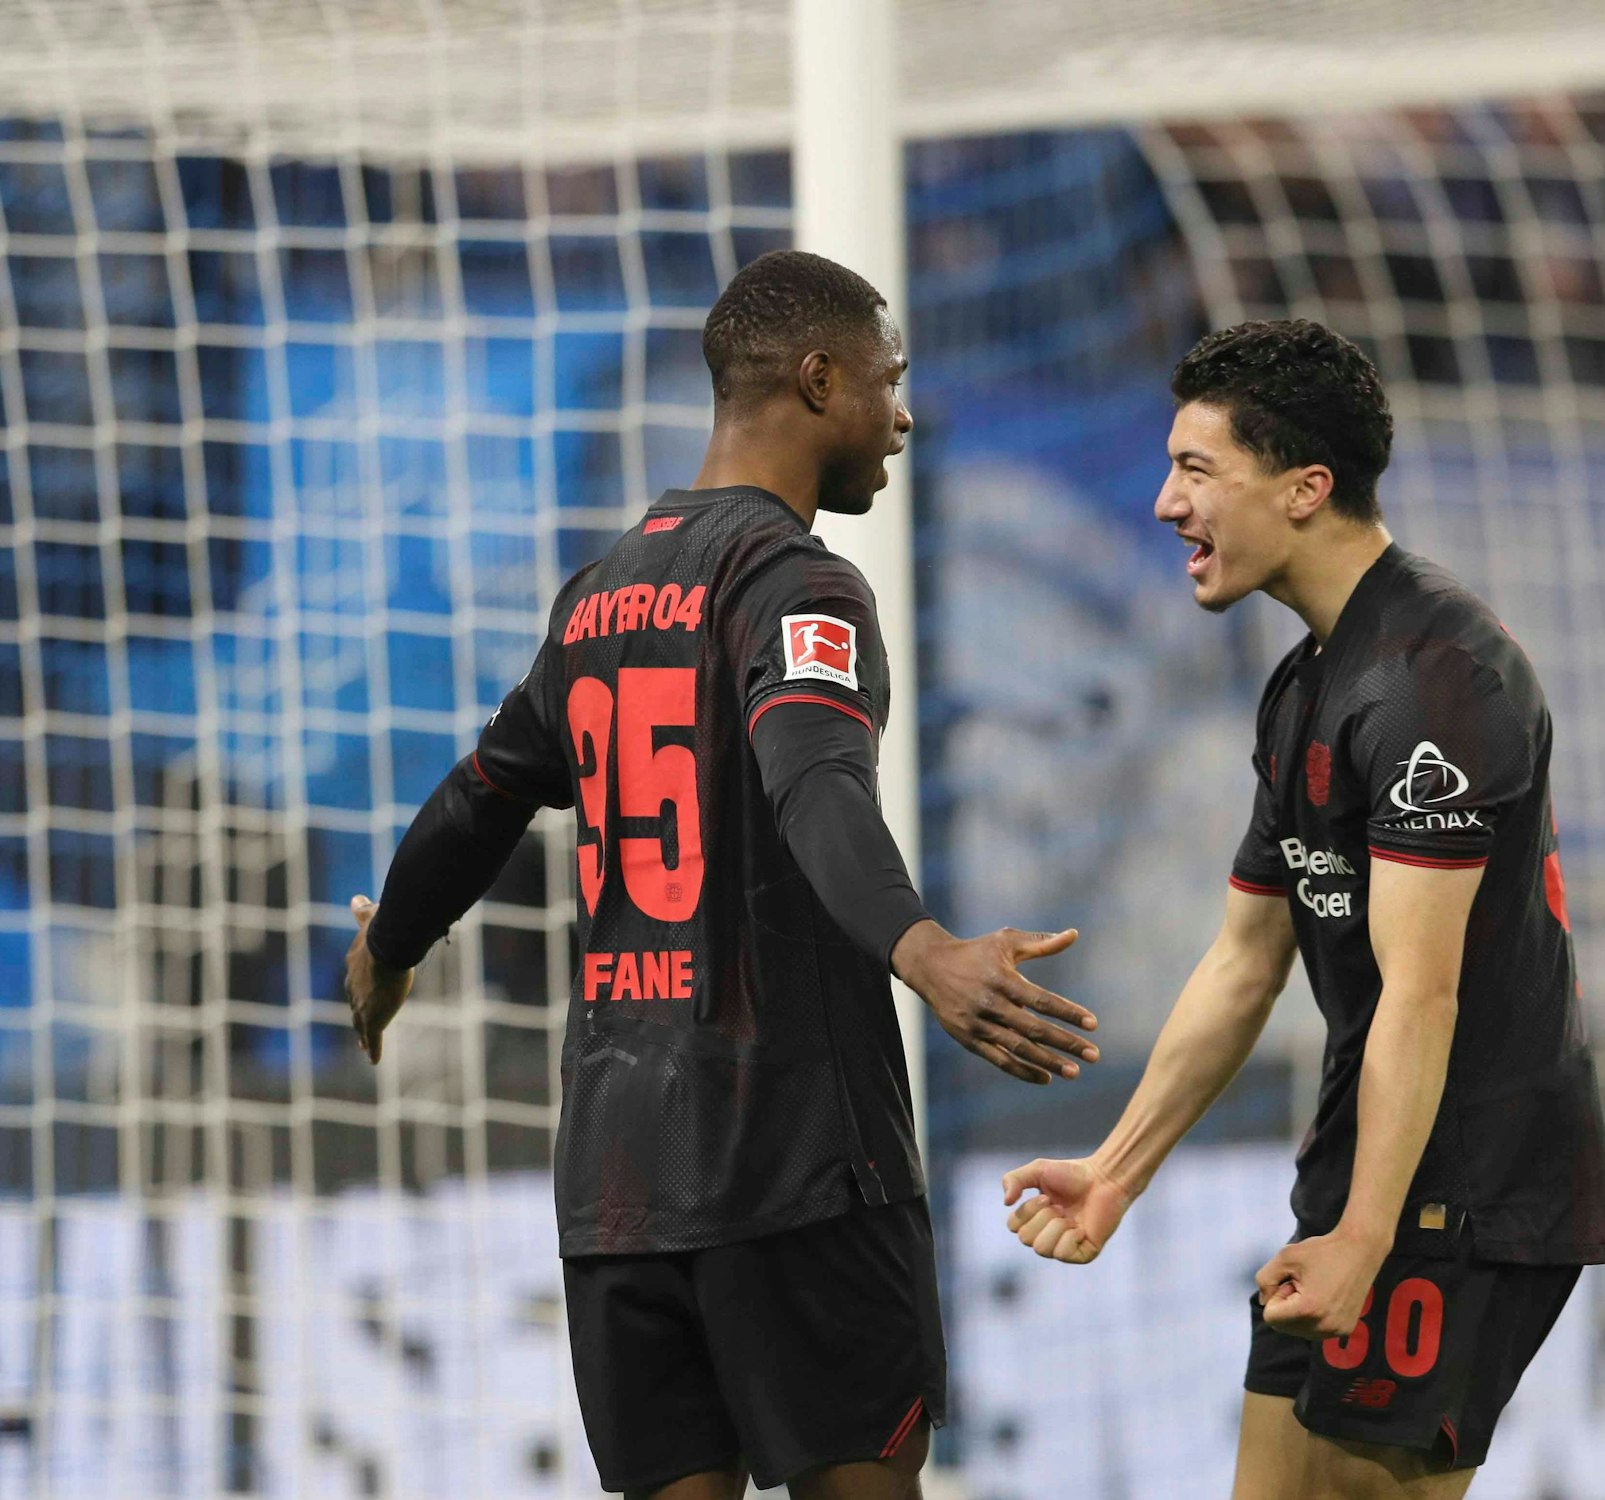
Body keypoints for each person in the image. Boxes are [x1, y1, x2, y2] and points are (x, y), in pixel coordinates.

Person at [341, 249, 1101, 1500]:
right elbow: (815, 785)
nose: (902, 416)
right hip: (793, 1157)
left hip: (620, 1181)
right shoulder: (797, 584)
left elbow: (481, 794)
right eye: (887, 380)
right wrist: (924, 952)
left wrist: (388, 950)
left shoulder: (596, 596)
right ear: (818, 380)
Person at [1000, 321, 1605, 1500]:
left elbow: (1422, 994)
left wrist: (1368, 1239)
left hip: (1463, 1183)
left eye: (1195, 470)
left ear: (1303, 489)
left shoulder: (1434, 684)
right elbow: (1243, 962)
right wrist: (1115, 1170)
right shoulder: (1303, 685)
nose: (1165, 504)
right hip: (1361, 1167)